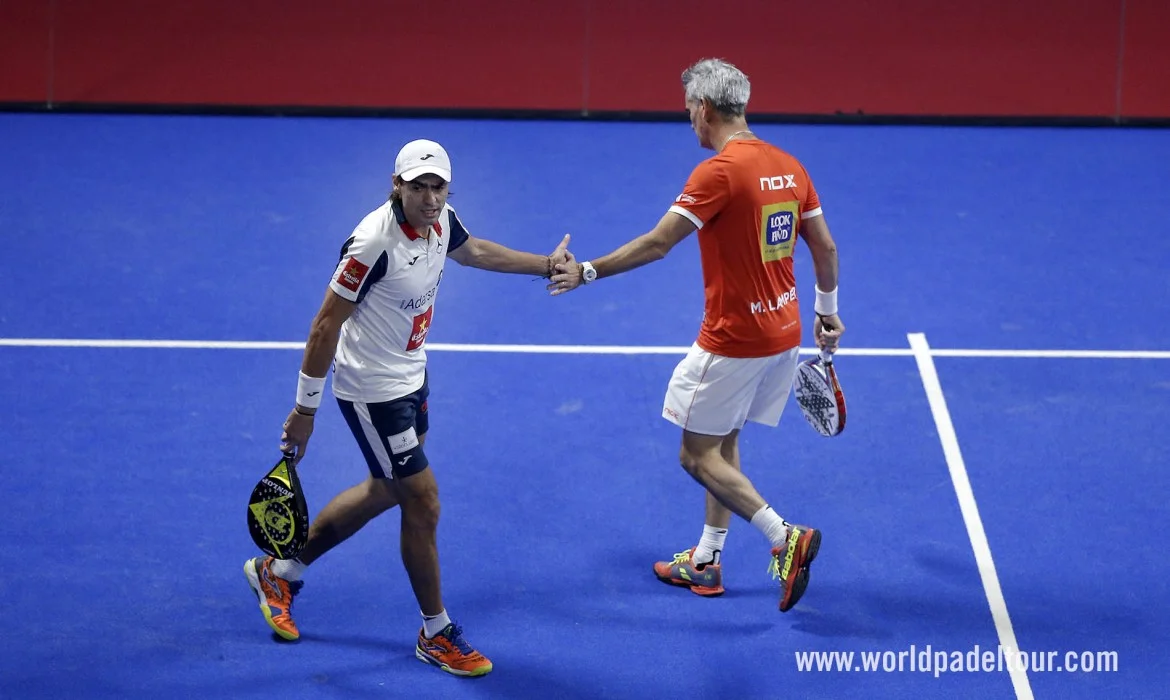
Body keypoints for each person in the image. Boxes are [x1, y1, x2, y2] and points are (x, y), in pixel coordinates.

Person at [244, 138, 571, 676]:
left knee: (387, 487)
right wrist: (305, 410)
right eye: (417, 186)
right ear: (396, 186)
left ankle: (280, 571)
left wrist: (543, 265)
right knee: (422, 501)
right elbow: (326, 324)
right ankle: (435, 632)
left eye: (437, 187)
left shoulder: (442, 220)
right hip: (372, 391)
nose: (429, 197)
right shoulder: (372, 244)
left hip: (411, 375)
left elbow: (475, 252)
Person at [548, 59, 844, 612]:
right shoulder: (791, 166)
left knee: (694, 454)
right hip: (786, 332)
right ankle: (706, 562)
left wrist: (588, 270)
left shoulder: (719, 172)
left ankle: (785, 538)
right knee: (724, 440)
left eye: (689, 109)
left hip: (733, 339)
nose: (688, 120)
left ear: (705, 109)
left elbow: (659, 243)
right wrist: (828, 311)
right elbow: (824, 248)